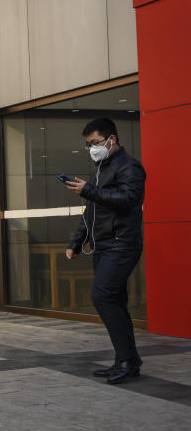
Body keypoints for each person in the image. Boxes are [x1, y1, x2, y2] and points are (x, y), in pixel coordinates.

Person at [65, 118, 146, 384]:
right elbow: (92, 210)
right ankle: (126, 360)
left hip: (122, 244)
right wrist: (77, 242)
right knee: (115, 301)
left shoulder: (130, 166)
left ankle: (126, 360)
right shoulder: (100, 169)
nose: (92, 149)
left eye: (96, 143)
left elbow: (129, 200)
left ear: (112, 139)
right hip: (102, 245)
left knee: (102, 295)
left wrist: (89, 190)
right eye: (88, 145)